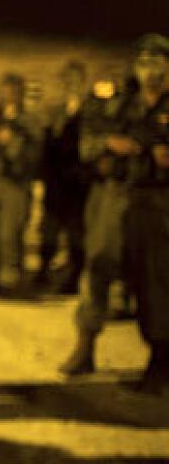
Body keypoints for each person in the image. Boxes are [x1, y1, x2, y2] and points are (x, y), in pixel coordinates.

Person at [61, 34, 169, 395]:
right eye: (144, 63)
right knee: (98, 267)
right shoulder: (119, 106)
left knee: (154, 279)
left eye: (158, 63)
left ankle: (159, 358)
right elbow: (86, 145)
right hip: (114, 196)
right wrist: (110, 144)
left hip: (156, 203)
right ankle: (85, 346)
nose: (150, 70)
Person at [0, 72, 41, 293]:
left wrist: (14, 144)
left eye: (14, 91)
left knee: (10, 234)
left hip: (16, 186)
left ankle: (10, 281)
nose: (10, 95)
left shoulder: (30, 122)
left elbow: (35, 155)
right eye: (6, 90)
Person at [37, 60, 90, 294]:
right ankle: (43, 272)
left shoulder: (91, 111)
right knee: (49, 229)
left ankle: (74, 277)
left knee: (75, 232)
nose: (71, 84)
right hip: (56, 183)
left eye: (75, 79)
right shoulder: (55, 111)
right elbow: (48, 146)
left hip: (77, 185)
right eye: (67, 79)